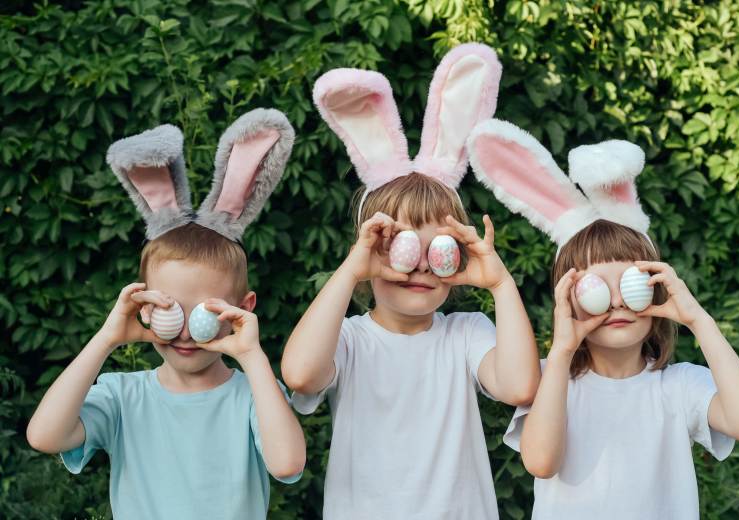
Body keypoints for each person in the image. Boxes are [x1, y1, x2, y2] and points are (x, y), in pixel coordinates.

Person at [281, 44, 541, 519]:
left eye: (438, 250)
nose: (420, 265)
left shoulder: (465, 334)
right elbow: (299, 373)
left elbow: (521, 387)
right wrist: (353, 268)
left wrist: (501, 285)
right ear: (369, 255)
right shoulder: (350, 339)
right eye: (401, 248)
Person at [468, 120, 739, 519]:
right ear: (568, 300)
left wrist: (699, 320)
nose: (615, 303)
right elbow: (541, 462)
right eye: (594, 288)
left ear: (657, 289)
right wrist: (562, 350)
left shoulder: (679, 385)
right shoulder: (550, 381)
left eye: (631, 284)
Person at [26, 109, 306, 520]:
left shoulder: (254, 394)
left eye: (204, 312)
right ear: (144, 307)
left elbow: (287, 464)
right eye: (170, 308)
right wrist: (105, 339)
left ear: (240, 311)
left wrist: (252, 356)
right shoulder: (123, 395)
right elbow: (44, 435)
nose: (187, 333)